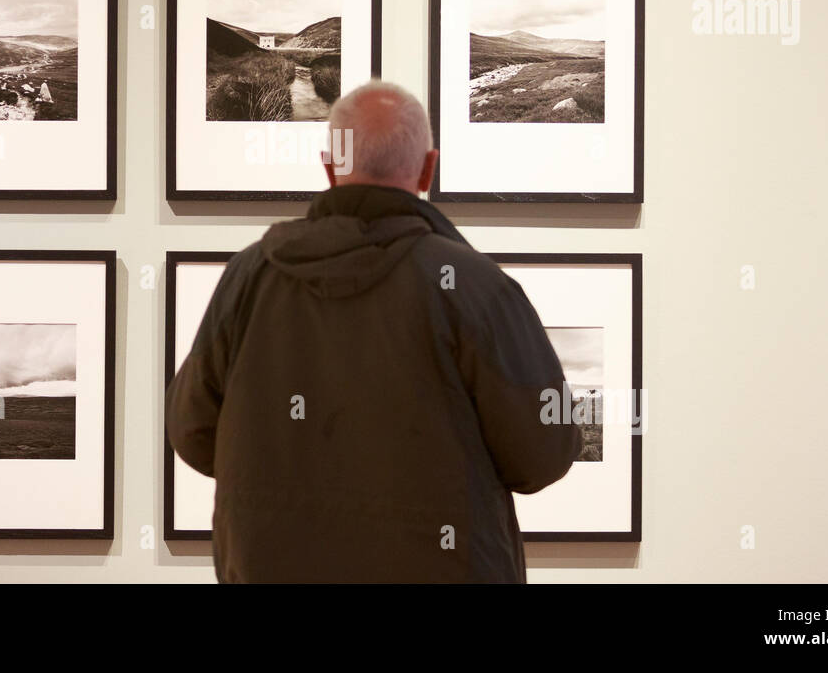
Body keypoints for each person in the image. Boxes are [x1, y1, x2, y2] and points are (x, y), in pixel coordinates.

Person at [165, 80, 581, 582]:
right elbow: (542, 454)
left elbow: (192, 433)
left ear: (329, 165)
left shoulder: (250, 276)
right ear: (429, 168)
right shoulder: (476, 288)